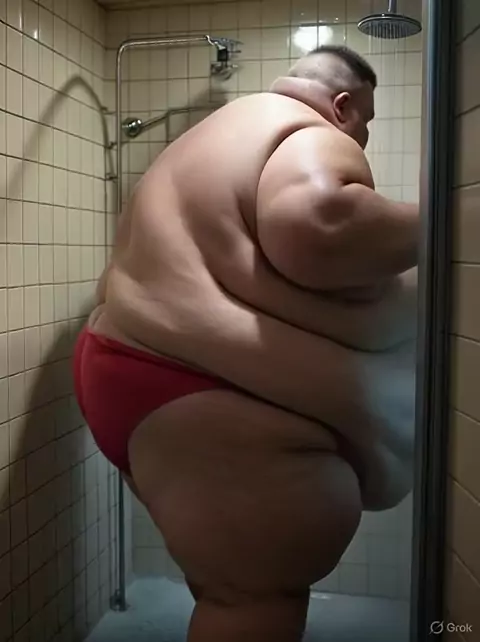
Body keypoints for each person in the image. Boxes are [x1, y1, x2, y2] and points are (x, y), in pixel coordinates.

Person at [74, 45, 418, 642]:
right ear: (342, 105)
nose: (362, 136)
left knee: (224, 580)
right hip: (196, 384)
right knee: (250, 595)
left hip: (133, 364)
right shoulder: (306, 130)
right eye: (366, 119)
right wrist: (444, 219)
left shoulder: (217, 134)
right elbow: (319, 224)